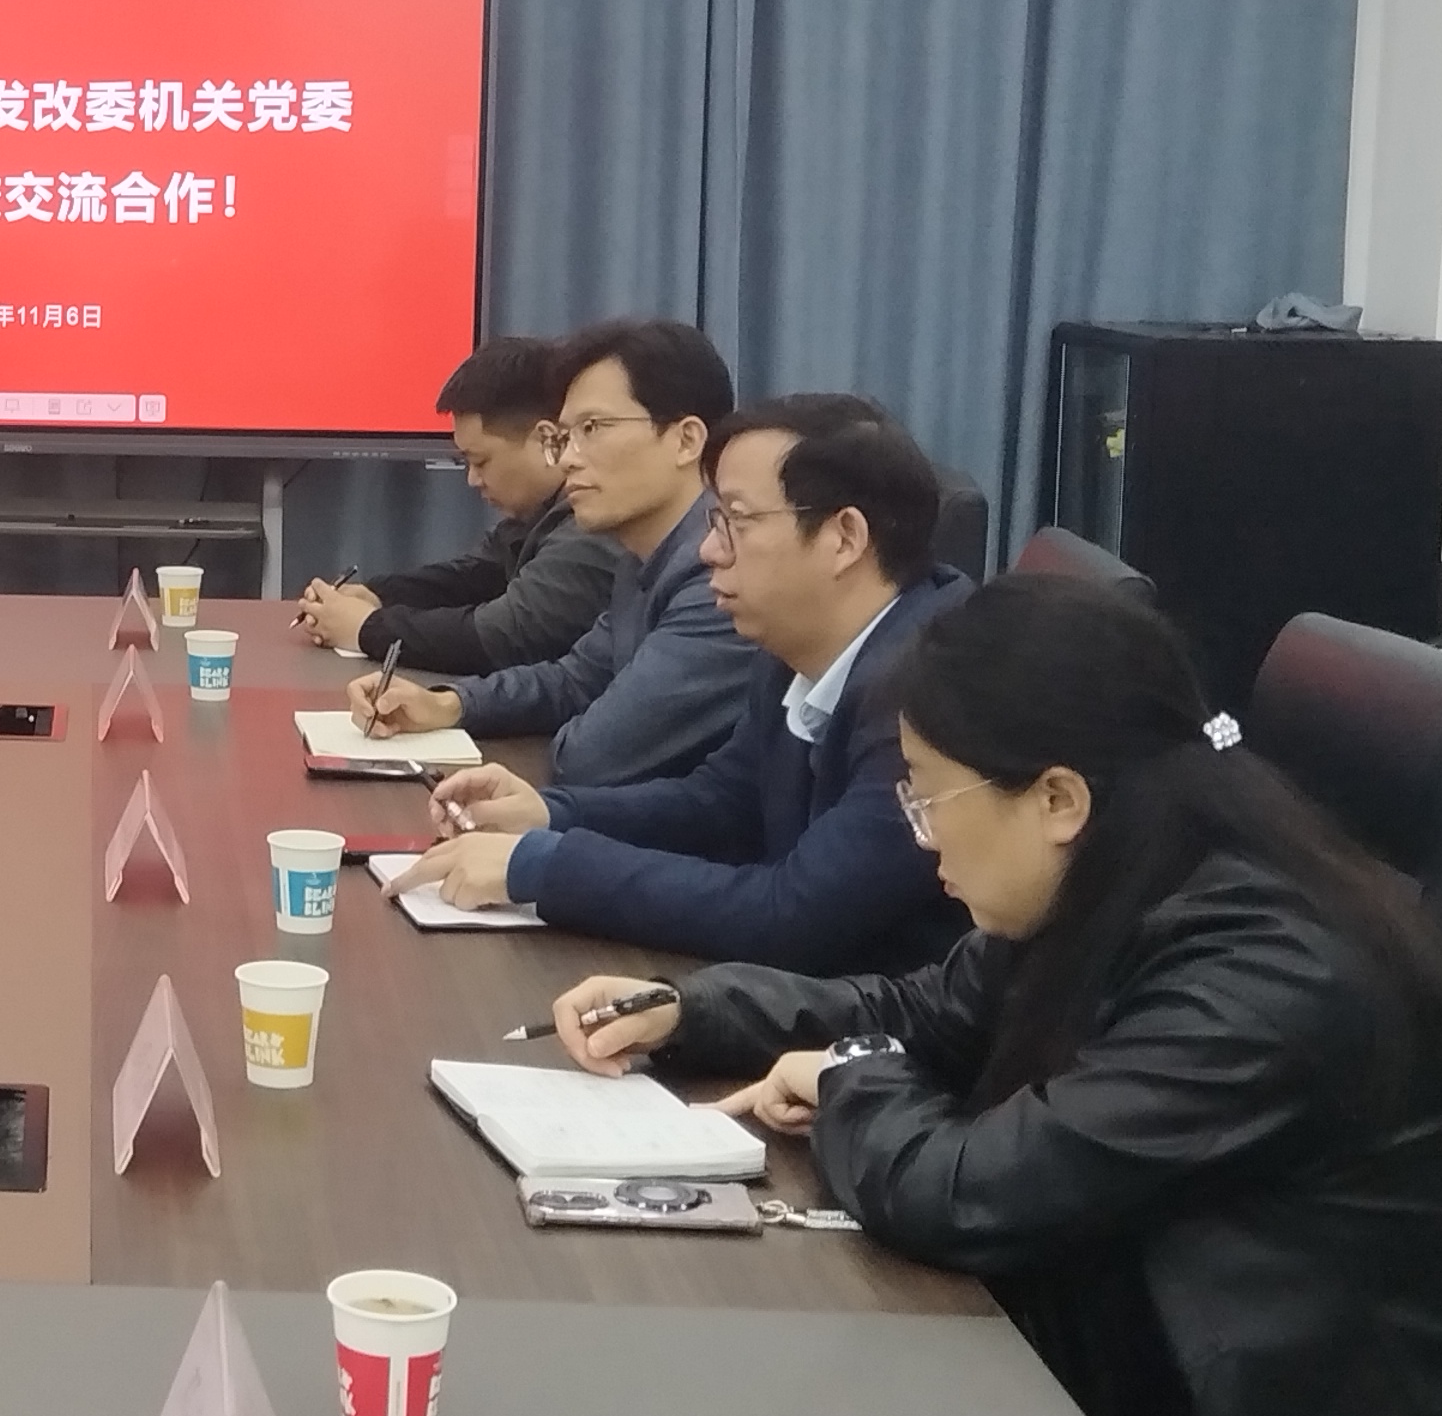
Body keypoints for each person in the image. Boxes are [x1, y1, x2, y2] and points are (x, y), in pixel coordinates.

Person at [541, 573, 1442, 1416]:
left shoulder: (1267, 971)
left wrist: (850, 1079)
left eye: (928, 797)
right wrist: (695, 1012)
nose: (920, 836)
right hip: (1136, 1382)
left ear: (1058, 799)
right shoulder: (1129, 871)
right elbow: (922, 1007)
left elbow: (971, 1190)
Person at [412, 399, 968, 974]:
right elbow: (719, 802)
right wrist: (549, 814)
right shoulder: (797, 643)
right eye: (713, 521)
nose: (709, 551)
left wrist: (544, 866)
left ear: (844, 538)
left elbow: (793, 916)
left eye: (737, 522)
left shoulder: (936, 689)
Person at [347, 319, 766, 785]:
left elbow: (593, 755)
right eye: (565, 437)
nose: (567, 459)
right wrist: (451, 703)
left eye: (592, 428)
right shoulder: (643, 556)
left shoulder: (720, 578)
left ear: (686, 440)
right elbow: (574, 679)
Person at [293, 337, 612, 676]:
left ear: (546, 438)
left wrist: (367, 628)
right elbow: (474, 577)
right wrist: (377, 595)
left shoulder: (594, 524)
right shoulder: (536, 517)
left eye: (481, 461)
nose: (473, 479)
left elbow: (505, 635)